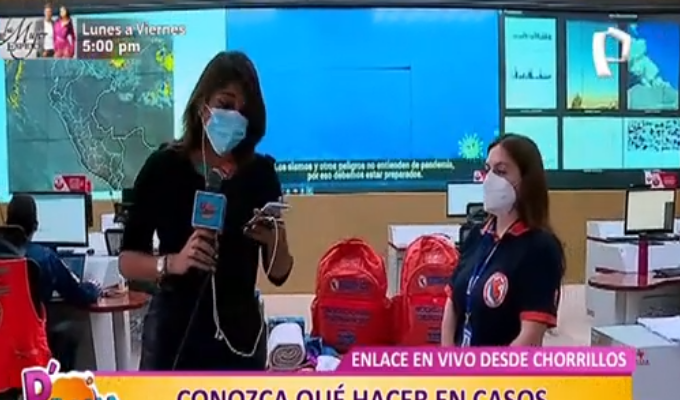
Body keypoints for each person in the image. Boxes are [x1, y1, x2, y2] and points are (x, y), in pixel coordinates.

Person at [119, 51, 294, 371]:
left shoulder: (260, 174)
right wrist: (172, 262)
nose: (235, 116)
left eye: (244, 112)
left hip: (239, 342)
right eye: (226, 104)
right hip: (174, 339)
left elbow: (279, 273)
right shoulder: (163, 168)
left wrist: (275, 240)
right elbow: (128, 262)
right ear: (203, 106)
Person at [440, 134, 564, 347]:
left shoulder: (540, 248)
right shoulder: (477, 235)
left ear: (526, 181)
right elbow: (452, 302)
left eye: (501, 171)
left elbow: (530, 336)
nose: (490, 179)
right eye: (488, 169)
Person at [6, 194, 101, 307]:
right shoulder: (45, 257)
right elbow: (79, 295)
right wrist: (93, 288)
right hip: (32, 318)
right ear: (35, 226)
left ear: (7, 224)